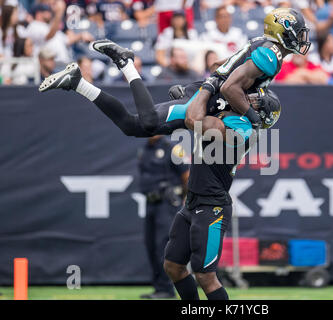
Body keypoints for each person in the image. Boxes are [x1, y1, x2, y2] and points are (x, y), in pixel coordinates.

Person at [39, 6, 306, 299]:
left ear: (258, 113)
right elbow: (227, 69)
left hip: (211, 205)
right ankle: (81, 82)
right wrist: (207, 85)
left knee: (206, 276)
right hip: (194, 197)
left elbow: (198, 116)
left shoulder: (240, 129)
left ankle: (124, 66)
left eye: (258, 99)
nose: (254, 95)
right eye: (255, 93)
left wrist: (204, 88)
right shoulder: (258, 71)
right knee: (134, 126)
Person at [138, 135, 189, 299]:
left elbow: (186, 176)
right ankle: (159, 287)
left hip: (168, 203)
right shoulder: (145, 149)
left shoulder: (172, 147)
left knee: (163, 246)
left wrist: (187, 201)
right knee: (150, 244)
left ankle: (167, 289)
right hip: (151, 202)